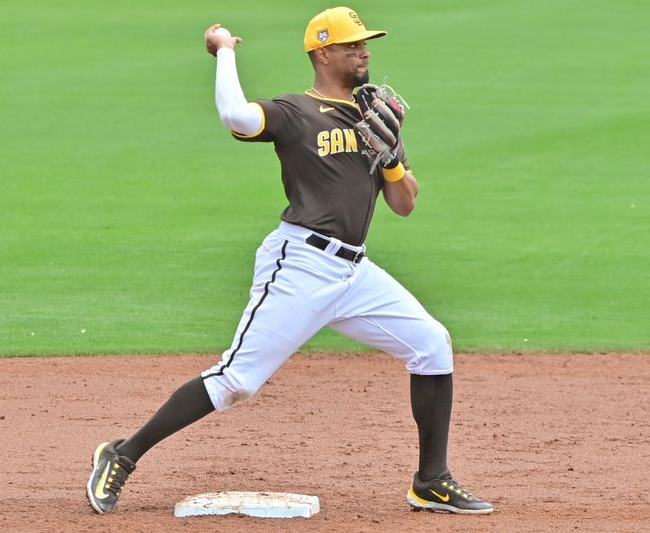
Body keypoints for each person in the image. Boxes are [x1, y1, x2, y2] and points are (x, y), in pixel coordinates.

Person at [86, 6, 493, 515]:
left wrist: (390, 158)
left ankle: (431, 480)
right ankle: (121, 454)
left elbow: (404, 203)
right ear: (322, 53)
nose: (364, 52)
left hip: (355, 272)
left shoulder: (375, 116)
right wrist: (225, 51)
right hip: (299, 265)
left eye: (366, 44)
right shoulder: (295, 111)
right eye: (352, 45)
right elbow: (235, 116)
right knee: (236, 382)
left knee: (432, 344)